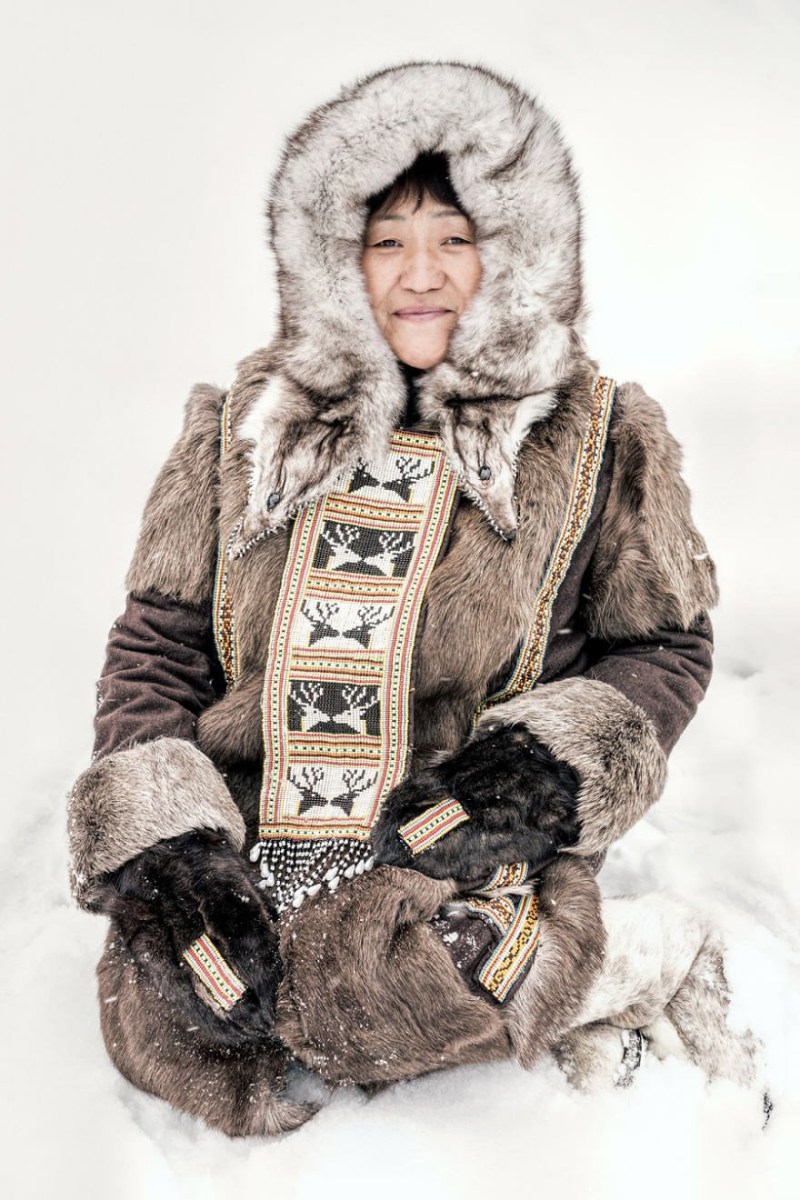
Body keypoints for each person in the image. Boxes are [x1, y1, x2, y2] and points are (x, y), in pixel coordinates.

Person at [67, 61, 759, 1137]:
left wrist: (539, 769)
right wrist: (170, 852)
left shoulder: (596, 434)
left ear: (513, 255)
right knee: (174, 1014)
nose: (419, 274)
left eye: (454, 238)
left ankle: (644, 956)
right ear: (334, 261)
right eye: (385, 242)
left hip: (450, 827)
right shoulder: (237, 428)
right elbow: (157, 646)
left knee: (384, 997)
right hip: (256, 820)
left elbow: (663, 646)